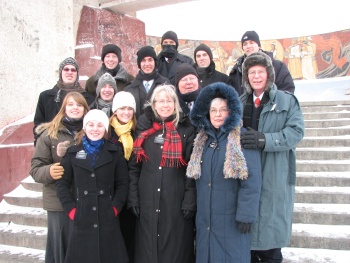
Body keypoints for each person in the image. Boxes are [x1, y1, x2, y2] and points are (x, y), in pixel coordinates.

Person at [240, 52, 304, 263]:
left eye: (260, 72)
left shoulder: (287, 101)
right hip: (246, 177)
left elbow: (295, 133)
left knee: (270, 245)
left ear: (269, 74)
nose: (256, 76)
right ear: (246, 77)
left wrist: (265, 140)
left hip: (274, 175)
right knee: (245, 246)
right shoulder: (240, 103)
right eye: (252, 72)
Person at [186, 82, 262, 263]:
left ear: (231, 112)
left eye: (223, 109)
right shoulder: (202, 141)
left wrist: (246, 215)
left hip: (232, 221)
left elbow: (252, 181)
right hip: (206, 221)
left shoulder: (241, 139)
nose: (218, 114)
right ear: (207, 113)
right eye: (213, 110)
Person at [128, 85, 196, 263]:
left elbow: (192, 169)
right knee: (147, 249)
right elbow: (134, 168)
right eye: (161, 101)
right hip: (147, 201)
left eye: (169, 101)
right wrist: (133, 197)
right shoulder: (144, 131)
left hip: (175, 201)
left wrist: (190, 200)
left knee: (174, 249)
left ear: (175, 104)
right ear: (153, 104)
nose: (165, 105)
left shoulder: (186, 130)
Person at [56, 109, 129, 263]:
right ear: (84, 128)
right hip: (81, 216)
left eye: (100, 125)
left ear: (105, 129)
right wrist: (72, 210)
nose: (95, 129)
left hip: (107, 217)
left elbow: (123, 184)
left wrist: (115, 208)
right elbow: (62, 184)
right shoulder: (72, 153)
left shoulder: (115, 153)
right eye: (91, 125)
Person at [30, 92, 90, 263]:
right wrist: (49, 171)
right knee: (60, 251)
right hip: (58, 202)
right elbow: (35, 168)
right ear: (64, 108)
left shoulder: (91, 130)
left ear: (85, 109)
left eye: (79, 105)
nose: (75, 108)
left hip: (84, 200)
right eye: (70, 104)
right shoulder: (49, 134)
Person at [33, 57, 94, 145]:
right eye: (66, 69)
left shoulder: (88, 98)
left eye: (73, 70)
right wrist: (42, 144)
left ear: (77, 74)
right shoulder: (45, 97)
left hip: (79, 145)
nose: (69, 72)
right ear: (61, 72)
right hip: (51, 145)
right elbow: (38, 125)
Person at [108, 91, 137, 263]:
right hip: (113, 194)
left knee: (131, 239)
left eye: (129, 109)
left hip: (132, 194)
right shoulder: (107, 133)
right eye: (121, 108)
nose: (126, 112)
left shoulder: (139, 131)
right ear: (115, 110)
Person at [229, 31, 295, 95]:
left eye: (251, 43)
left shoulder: (278, 66)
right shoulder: (236, 70)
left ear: (259, 46)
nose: (248, 46)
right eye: (245, 44)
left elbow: (287, 89)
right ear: (243, 48)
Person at [125, 46, 169, 119]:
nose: (147, 64)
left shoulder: (165, 84)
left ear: (155, 62)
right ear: (139, 64)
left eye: (150, 60)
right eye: (143, 60)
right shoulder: (130, 88)